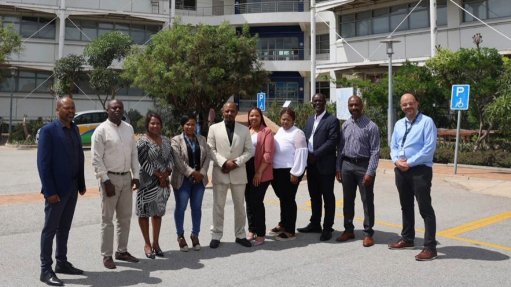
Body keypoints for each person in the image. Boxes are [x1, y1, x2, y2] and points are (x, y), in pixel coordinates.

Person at [37, 96, 86, 286]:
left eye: (73, 107)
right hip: (56, 191)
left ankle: (62, 262)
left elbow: (79, 157)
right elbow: (43, 164)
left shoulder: (74, 128)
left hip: (72, 188)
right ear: (58, 109)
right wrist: (49, 191)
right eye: (67, 107)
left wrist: (81, 183)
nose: (71, 110)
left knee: (64, 228)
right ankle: (45, 270)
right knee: (49, 230)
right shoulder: (48, 131)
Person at [388, 93, 438, 261]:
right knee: (406, 206)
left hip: (420, 170)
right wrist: (396, 161)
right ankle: (408, 238)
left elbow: (428, 149)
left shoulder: (426, 122)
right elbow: (393, 145)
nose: (408, 106)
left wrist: (409, 162)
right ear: (401, 106)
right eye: (404, 104)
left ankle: (430, 247)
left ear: (417, 103)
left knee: (425, 209)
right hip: (401, 170)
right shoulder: (399, 124)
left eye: (411, 103)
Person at [91, 99, 140, 269]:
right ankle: (107, 255)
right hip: (109, 179)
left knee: (125, 218)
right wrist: (105, 181)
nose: (117, 110)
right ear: (107, 110)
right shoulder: (101, 131)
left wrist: (136, 175)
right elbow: (96, 159)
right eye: (114, 108)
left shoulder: (129, 128)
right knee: (107, 220)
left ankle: (122, 250)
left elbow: (134, 153)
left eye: (120, 107)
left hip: (126, 178)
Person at [207, 102, 253, 249]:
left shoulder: (244, 130)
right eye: (227, 111)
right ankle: (216, 235)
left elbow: (249, 150)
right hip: (220, 171)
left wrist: (236, 163)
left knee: (240, 206)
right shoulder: (213, 128)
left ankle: (240, 235)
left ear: (236, 112)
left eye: (232, 111)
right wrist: (224, 163)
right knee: (218, 206)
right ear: (222, 112)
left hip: (238, 173)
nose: (229, 113)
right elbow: (210, 149)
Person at [335, 95, 380, 247]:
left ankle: (368, 233)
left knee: (367, 201)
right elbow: (340, 148)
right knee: (347, 200)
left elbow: (375, 151)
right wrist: (339, 167)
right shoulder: (345, 125)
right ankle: (348, 230)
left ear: (362, 106)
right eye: (351, 105)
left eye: (356, 105)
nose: (354, 107)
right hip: (347, 165)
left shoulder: (371, 126)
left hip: (363, 166)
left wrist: (370, 172)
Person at [299, 93, 340, 241]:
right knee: (314, 196)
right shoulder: (310, 120)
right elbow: (304, 137)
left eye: (320, 101)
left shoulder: (332, 120)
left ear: (325, 102)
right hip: (311, 165)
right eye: (315, 101)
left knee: (328, 197)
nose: (318, 103)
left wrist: (315, 154)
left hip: (325, 165)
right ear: (312, 103)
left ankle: (327, 227)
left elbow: (332, 141)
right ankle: (315, 223)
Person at [171, 114, 211, 251]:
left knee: (197, 208)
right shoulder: (176, 140)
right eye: (187, 124)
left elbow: (207, 157)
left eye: (193, 124)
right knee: (181, 208)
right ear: (183, 125)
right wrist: (193, 173)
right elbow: (178, 161)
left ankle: (195, 235)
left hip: (199, 180)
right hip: (183, 180)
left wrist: (202, 173)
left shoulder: (201, 139)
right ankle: (180, 236)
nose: (190, 127)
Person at [136, 112, 173, 259]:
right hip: (147, 182)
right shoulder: (142, 141)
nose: (155, 125)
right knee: (144, 212)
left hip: (163, 182)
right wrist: (158, 175)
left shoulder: (166, 140)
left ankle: (156, 243)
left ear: (161, 125)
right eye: (152, 123)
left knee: (158, 213)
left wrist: (167, 172)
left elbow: (170, 158)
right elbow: (143, 161)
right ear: (147, 124)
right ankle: (147, 244)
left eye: (158, 123)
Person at [270, 108, 308, 241]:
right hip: (277, 170)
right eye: (283, 119)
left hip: (290, 171)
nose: (285, 122)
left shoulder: (298, 133)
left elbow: (301, 153)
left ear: (293, 120)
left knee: (289, 200)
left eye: (288, 119)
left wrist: (296, 173)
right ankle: (283, 223)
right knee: (283, 199)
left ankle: (290, 230)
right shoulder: (280, 130)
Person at [245, 107, 274, 246]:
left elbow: (268, 154)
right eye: (251, 115)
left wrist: (259, 172)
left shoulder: (266, 131)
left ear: (261, 117)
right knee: (249, 202)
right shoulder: (246, 131)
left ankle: (261, 233)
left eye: (256, 115)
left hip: (260, 170)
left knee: (256, 201)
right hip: (246, 169)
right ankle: (252, 229)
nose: (254, 118)